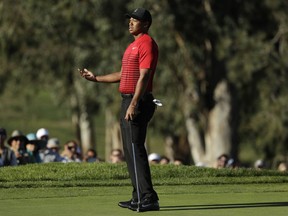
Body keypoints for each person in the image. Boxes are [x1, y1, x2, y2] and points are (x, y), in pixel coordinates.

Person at [79, 8, 159, 212]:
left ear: (146, 24)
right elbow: (124, 74)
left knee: (136, 149)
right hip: (128, 100)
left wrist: (133, 103)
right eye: (130, 20)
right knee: (130, 151)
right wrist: (96, 78)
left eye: (136, 20)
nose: (131, 23)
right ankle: (138, 196)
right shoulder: (133, 46)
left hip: (137, 102)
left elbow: (144, 76)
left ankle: (148, 198)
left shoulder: (147, 43)